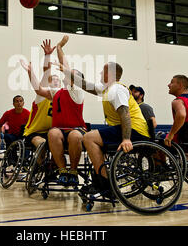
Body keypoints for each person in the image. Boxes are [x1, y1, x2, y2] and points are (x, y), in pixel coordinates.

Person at [62, 60, 150, 195]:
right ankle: (100, 179)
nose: (100, 73)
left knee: (89, 137)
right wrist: (67, 71)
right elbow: (84, 84)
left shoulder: (117, 89)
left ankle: (104, 183)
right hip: (126, 129)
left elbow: (125, 114)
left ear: (110, 74)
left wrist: (126, 139)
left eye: (103, 71)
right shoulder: (107, 89)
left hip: (135, 130)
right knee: (94, 138)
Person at [26, 35, 86, 186]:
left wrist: (59, 48)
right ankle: (61, 171)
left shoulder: (76, 91)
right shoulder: (57, 92)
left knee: (74, 136)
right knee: (52, 132)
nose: (67, 73)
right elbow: (39, 90)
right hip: (59, 129)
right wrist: (30, 73)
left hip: (76, 128)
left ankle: (73, 171)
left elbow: (65, 67)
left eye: (72, 73)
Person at [21, 40, 61, 152]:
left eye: (58, 80)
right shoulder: (43, 94)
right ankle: (39, 165)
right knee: (42, 143)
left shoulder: (61, 96)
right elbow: (46, 72)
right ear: (48, 83)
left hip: (52, 131)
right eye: (53, 80)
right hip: (35, 132)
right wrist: (48, 56)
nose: (56, 81)